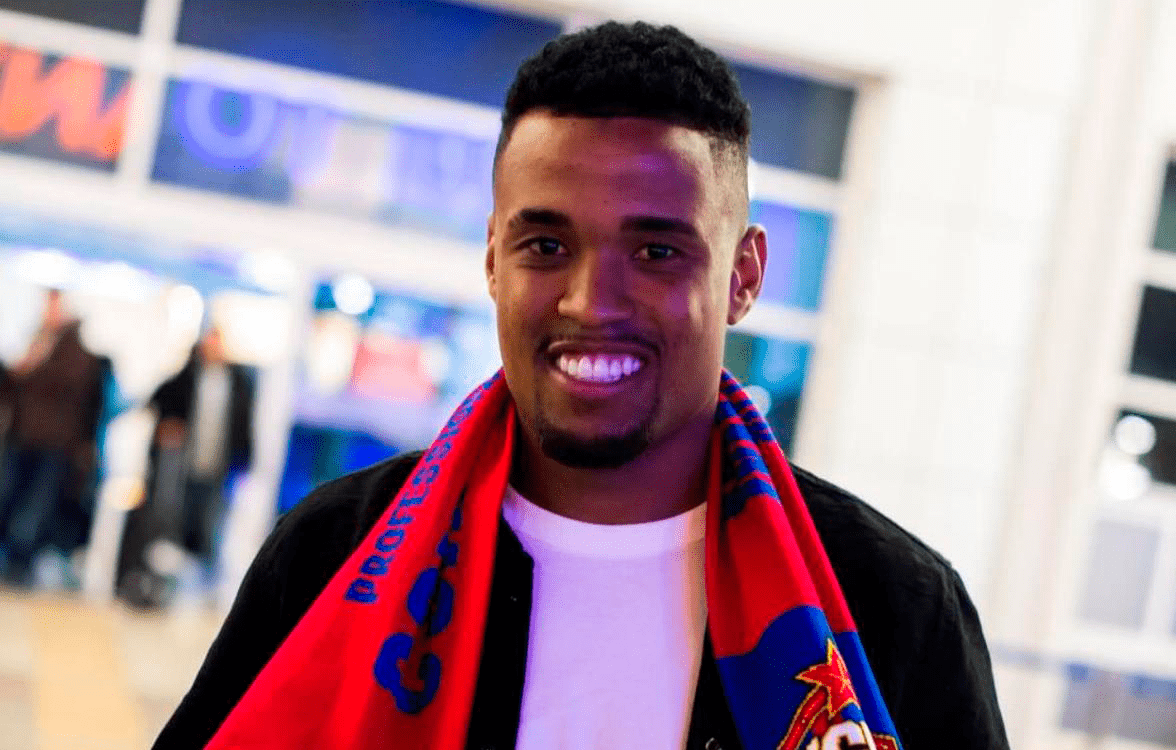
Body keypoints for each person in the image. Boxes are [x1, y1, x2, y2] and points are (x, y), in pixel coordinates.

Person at [156, 22, 1009, 750]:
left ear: (744, 276)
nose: (591, 302)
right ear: (494, 258)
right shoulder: (333, 556)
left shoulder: (891, 607)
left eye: (657, 252)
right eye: (547, 246)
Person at [117, 325, 255, 607]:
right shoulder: (188, 375)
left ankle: (201, 582)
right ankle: (162, 579)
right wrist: (168, 426)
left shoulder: (238, 382)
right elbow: (157, 401)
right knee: (171, 521)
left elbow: (243, 425)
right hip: (181, 469)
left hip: (216, 470)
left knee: (208, 526)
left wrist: (244, 460)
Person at [0, 288, 107, 585]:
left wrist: (38, 362)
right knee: (9, 497)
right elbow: (14, 386)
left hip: (55, 445)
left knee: (36, 505)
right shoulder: (36, 341)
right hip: (22, 438)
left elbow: (76, 394)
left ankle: (20, 562)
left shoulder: (76, 351)